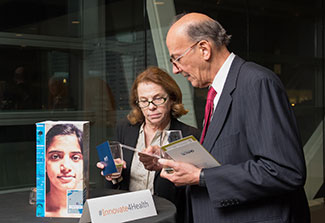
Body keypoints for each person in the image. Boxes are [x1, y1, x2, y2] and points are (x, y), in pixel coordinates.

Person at [142, 12, 310, 222]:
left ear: (204, 49)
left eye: (177, 58)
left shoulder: (257, 83)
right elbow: (228, 155)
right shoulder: (218, 92)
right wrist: (172, 159)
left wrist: (200, 177)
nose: (175, 70)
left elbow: (284, 171)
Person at [97, 66, 201, 222]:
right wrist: (114, 174)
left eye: (158, 98)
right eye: (144, 101)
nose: (151, 106)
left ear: (171, 99)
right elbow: (116, 180)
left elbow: (193, 189)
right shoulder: (125, 128)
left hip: (166, 218)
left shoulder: (189, 135)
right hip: (127, 215)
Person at [45, 124, 84, 217]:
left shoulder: (87, 211)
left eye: (75, 157)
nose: (66, 167)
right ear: (44, 163)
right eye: (55, 156)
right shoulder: (40, 211)